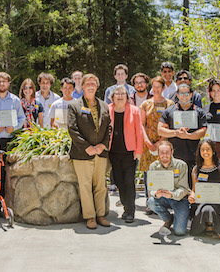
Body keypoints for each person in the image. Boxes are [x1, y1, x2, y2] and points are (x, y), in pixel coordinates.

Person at [67, 74, 112, 229]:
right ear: (83, 85)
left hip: (101, 152)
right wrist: (87, 147)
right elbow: (72, 129)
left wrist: (102, 145)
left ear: (97, 86)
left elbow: (109, 128)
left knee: (100, 185)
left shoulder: (104, 105)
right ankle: (90, 217)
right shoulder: (74, 105)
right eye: (88, 83)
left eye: (94, 83)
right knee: (85, 186)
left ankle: (100, 215)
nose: (91, 86)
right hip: (82, 153)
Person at [158, 83, 208, 186]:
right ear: (177, 94)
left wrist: (188, 136)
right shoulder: (169, 111)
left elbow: (203, 131)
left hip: (193, 156)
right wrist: (176, 133)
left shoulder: (199, 112)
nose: (184, 96)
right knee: (175, 185)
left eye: (186, 93)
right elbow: (160, 130)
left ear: (191, 95)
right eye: (181, 93)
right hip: (174, 157)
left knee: (192, 184)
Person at [108, 86, 144, 223]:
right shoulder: (108, 109)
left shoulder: (134, 110)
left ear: (127, 96)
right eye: (117, 93)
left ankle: (130, 211)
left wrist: (138, 151)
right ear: (112, 96)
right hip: (113, 152)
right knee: (118, 181)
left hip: (130, 153)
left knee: (129, 181)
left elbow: (139, 132)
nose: (120, 95)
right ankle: (125, 205)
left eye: (123, 93)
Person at [188, 140, 220, 240]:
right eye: (202, 150)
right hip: (203, 203)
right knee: (207, 209)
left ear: (213, 150)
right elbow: (194, 189)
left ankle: (212, 226)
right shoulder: (196, 169)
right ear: (199, 152)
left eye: (208, 149)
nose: (205, 152)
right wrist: (192, 196)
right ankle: (208, 224)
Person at [146, 140, 190, 236]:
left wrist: (172, 194)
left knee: (179, 232)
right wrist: (155, 194)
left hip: (179, 199)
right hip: (162, 198)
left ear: (172, 152)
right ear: (158, 153)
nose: (164, 155)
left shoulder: (181, 165)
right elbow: (151, 189)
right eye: (162, 152)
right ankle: (168, 219)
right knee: (151, 202)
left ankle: (179, 217)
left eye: (167, 152)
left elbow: (184, 188)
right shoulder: (153, 166)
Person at [138, 76, 174, 172]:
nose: (156, 89)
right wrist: (147, 142)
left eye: (158, 86)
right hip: (148, 145)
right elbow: (141, 124)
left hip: (164, 144)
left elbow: (171, 125)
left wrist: (160, 142)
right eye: (154, 86)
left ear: (163, 88)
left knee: (163, 171)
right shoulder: (145, 104)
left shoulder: (169, 104)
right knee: (148, 172)